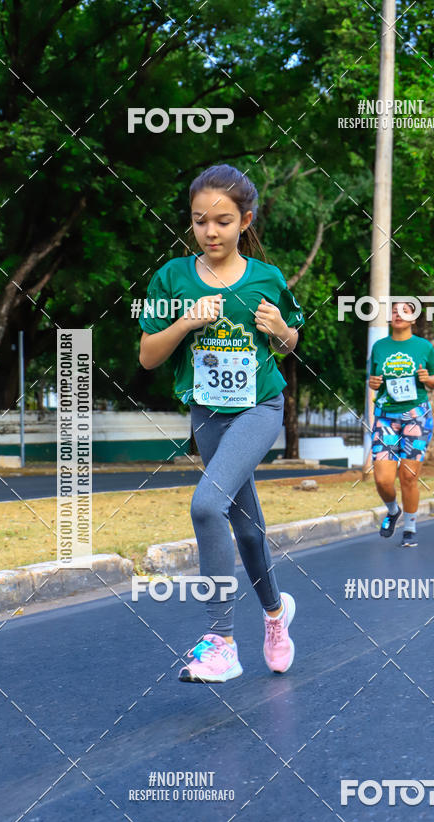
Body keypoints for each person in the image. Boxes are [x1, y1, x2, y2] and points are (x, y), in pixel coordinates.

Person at [138, 164, 304, 682]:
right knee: (246, 527)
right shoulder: (171, 278)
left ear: (244, 221)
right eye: (200, 220)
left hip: (260, 407)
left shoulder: (267, 277)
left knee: (207, 505)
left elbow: (288, 344)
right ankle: (276, 616)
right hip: (207, 411)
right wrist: (187, 319)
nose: (211, 232)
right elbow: (147, 357)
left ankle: (222, 641)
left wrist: (280, 329)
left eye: (224, 221)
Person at [368, 302, 434, 548]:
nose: (398, 315)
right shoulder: (379, 347)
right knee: (382, 479)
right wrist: (374, 383)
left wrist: (428, 378)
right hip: (386, 417)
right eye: (394, 311)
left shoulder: (424, 347)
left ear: (414, 319)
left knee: (408, 477)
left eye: (405, 311)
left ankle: (410, 527)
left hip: (416, 417)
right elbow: (373, 380)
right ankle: (392, 510)